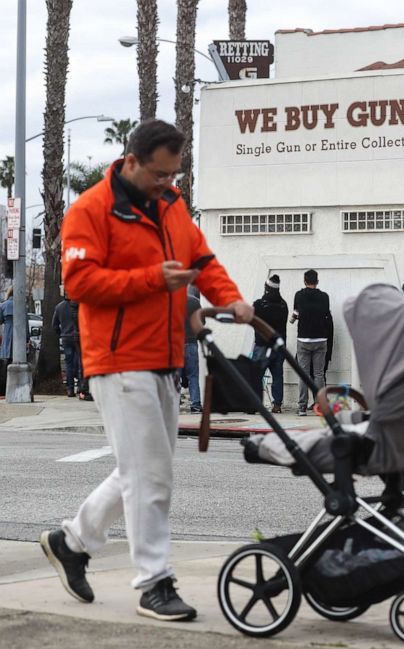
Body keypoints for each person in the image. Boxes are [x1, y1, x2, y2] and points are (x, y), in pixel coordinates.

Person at [41, 119, 252, 622]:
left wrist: (233, 299)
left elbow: (202, 259)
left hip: (164, 357)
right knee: (150, 475)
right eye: (160, 174)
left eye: (174, 175)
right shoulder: (91, 210)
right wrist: (151, 280)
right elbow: (80, 282)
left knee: (141, 470)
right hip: (117, 360)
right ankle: (153, 583)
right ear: (131, 161)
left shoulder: (172, 206)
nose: (167, 184)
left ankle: (71, 541)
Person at [292, 269, 333, 416]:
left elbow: (295, 314)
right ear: (317, 281)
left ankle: (302, 407)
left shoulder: (299, 295)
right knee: (319, 374)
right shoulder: (325, 297)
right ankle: (320, 405)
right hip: (321, 339)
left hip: (303, 339)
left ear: (304, 281)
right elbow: (326, 314)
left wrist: (293, 318)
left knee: (303, 374)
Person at [252, 274, 289, 413]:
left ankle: (254, 404)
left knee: (256, 374)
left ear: (266, 288)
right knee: (278, 375)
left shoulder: (259, 304)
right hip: (279, 346)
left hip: (262, 345)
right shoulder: (283, 305)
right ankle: (277, 405)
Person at [53, 292, 82, 397]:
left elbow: (55, 325)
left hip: (66, 338)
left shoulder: (59, 307)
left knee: (68, 363)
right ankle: (80, 385)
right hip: (78, 337)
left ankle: (70, 389)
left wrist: (61, 333)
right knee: (80, 361)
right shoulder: (79, 305)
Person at [181, 287, 202, 413]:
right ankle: (195, 405)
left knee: (176, 376)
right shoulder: (195, 302)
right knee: (193, 376)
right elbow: (201, 322)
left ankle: (175, 403)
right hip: (192, 343)